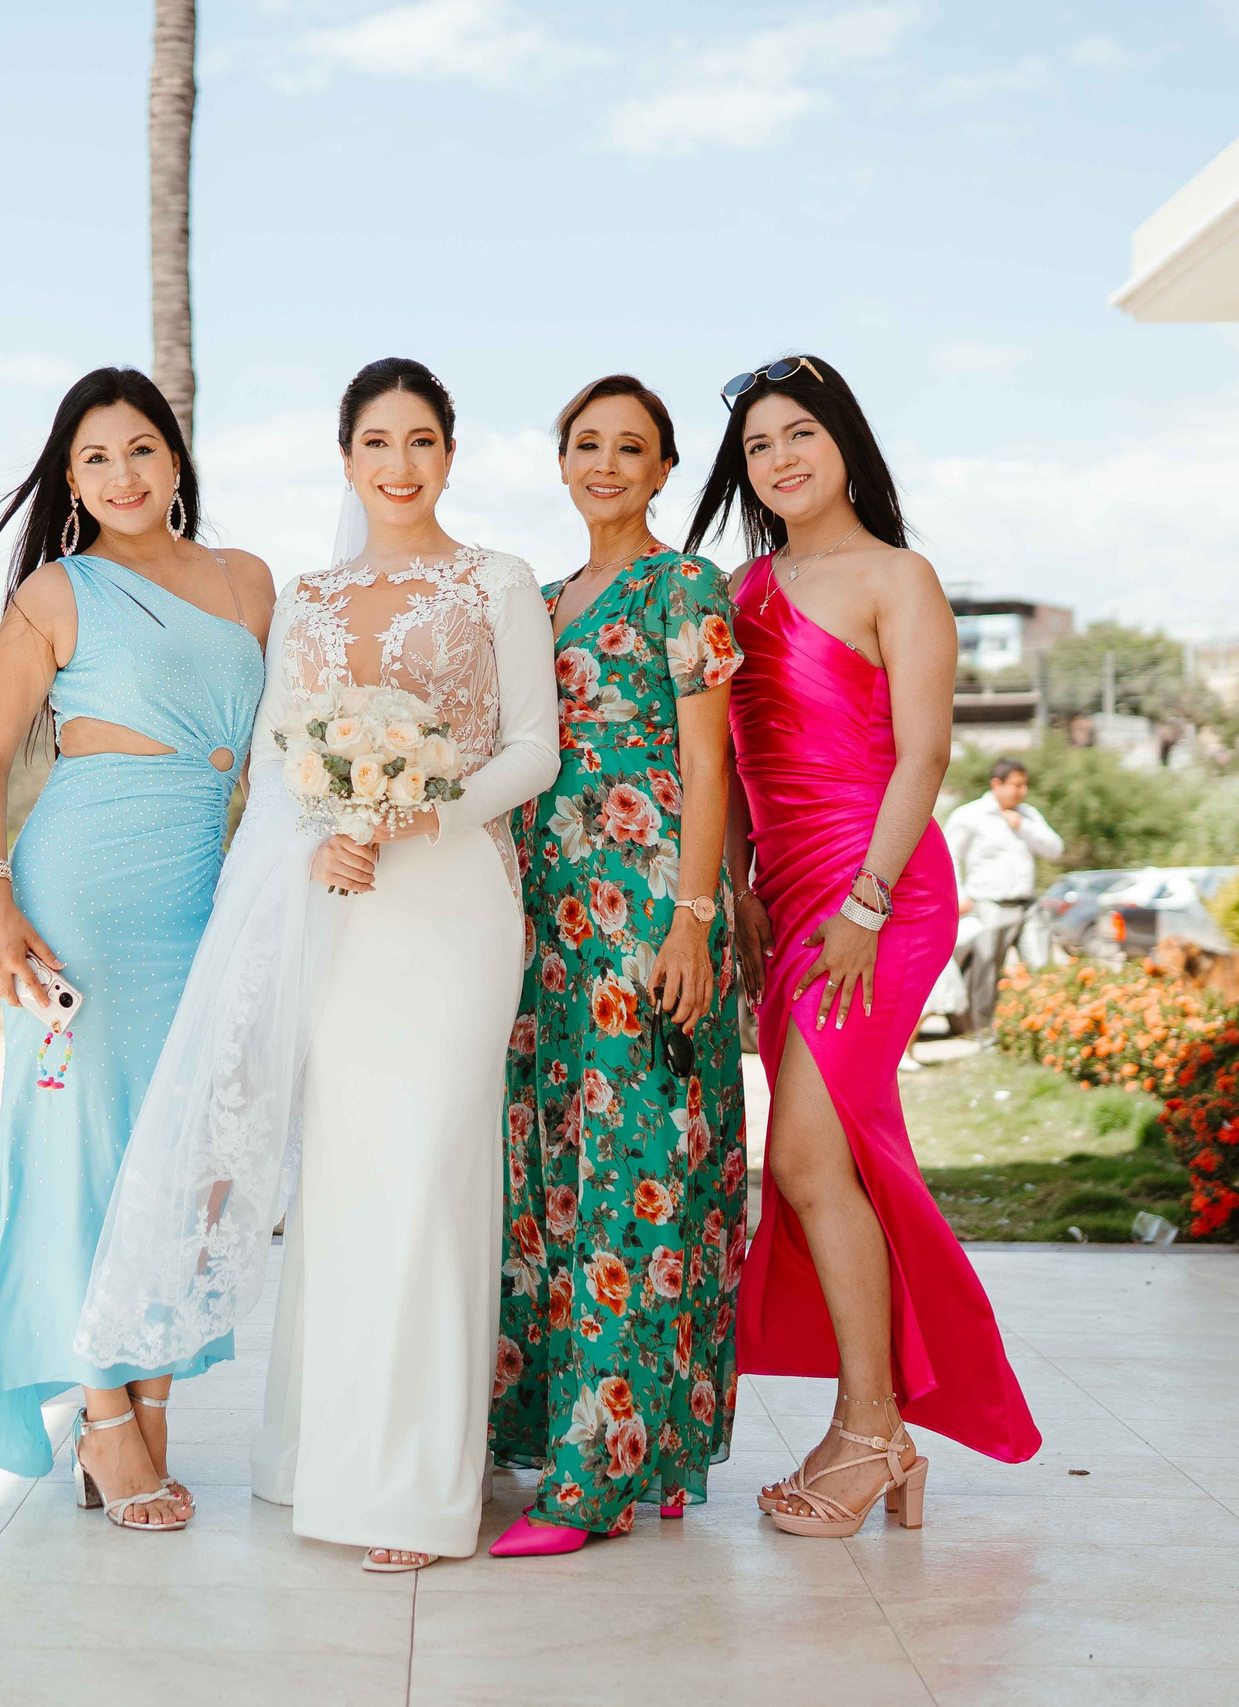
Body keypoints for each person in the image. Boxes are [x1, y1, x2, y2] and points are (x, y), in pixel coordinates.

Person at [77, 358, 557, 1572]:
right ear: (345, 459)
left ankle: (409, 1489)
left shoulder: (495, 580)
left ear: (450, 453)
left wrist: (416, 813)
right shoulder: (310, 592)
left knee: (428, 1174)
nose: (399, 465)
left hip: (451, 898)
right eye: (376, 444)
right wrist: (335, 825)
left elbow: (533, 753)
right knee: (349, 1180)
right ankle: (318, 1458)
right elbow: (288, 742)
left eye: (422, 441)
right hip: (334, 893)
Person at [689, 354, 1040, 1540]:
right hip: (785, 902)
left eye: (800, 435)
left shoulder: (900, 577)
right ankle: (874, 1427)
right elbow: (727, 761)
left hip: (878, 899)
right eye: (756, 448)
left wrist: (866, 907)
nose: (780, 460)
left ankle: (875, 1425)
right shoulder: (736, 593)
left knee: (799, 1156)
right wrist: (733, 892)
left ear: (844, 442)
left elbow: (926, 756)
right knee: (833, 1160)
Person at [0, 367, 274, 1532]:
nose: (122, 475)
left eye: (141, 450)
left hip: (204, 893)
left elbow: (272, 759)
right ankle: (102, 1415)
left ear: (175, 460)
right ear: (70, 479)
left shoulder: (247, 583)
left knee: (188, 1158)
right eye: (95, 459)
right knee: (87, 1152)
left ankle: (150, 1387)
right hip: (77, 890)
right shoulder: (56, 592)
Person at [489, 375, 747, 1557]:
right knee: (561, 1179)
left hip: (646, 915)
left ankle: (602, 1477)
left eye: (628, 447)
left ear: (663, 468)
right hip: (547, 921)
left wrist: (692, 919)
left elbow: (711, 765)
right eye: (584, 444)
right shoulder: (535, 603)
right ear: (560, 462)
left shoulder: (682, 585)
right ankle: (652, 1447)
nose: (603, 462)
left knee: (637, 1181)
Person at [944, 757, 1063, 1034]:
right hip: (989, 904)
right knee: (986, 972)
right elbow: (949, 855)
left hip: (1027, 905)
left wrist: (1024, 826)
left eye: (1025, 785)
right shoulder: (969, 815)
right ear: (996, 784)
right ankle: (984, 1035)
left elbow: (1055, 849)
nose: (1021, 791)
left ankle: (1043, 1032)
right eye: (1016, 785)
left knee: (1041, 969)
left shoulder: (1028, 815)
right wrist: (959, 895)